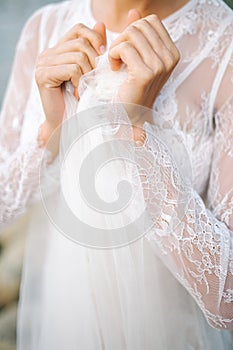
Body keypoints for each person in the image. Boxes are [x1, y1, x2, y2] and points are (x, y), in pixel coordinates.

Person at [0, 0, 233, 349]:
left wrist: (137, 130)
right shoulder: (44, 28)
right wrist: (52, 130)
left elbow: (227, 298)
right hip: (62, 320)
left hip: (167, 334)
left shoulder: (221, 40)